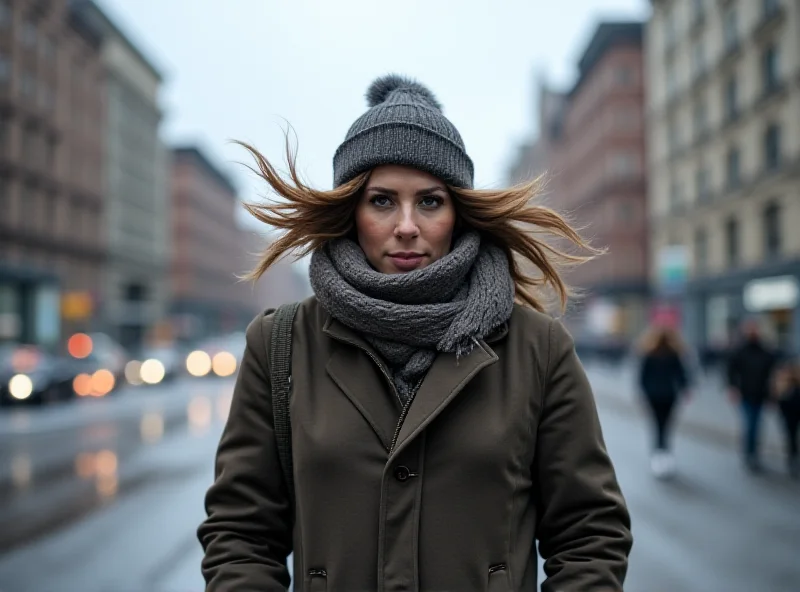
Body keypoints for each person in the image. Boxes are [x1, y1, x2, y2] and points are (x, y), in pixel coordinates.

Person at [197, 74, 632, 591]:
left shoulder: (537, 347)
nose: (407, 225)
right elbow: (240, 533)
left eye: (429, 201)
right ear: (351, 211)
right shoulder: (281, 344)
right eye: (382, 201)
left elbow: (590, 532)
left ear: (458, 212)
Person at [637, 324, 690, 478]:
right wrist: (685, 388)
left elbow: (642, 379)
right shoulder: (672, 354)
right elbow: (682, 376)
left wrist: (644, 394)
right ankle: (663, 452)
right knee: (665, 425)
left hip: (655, 396)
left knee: (658, 425)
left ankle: (659, 454)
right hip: (668, 395)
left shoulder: (650, 354)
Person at [726, 318, 778, 473]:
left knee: (756, 424)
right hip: (745, 393)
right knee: (750, 424)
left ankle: (752, 453)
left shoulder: (765, 351)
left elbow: (772, 373)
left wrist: (772, 394)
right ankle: (750, 454)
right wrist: (733, 388)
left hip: (761, 393)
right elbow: (731, 371)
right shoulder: (739, 350)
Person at [772, 358, 800, 478]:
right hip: (789, 414)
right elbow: (779, 399)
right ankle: (793, 459)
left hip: (791, 413)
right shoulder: (784, 381)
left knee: (791, 437)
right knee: (791, 437)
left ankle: (793, 458)